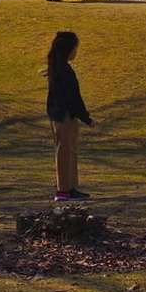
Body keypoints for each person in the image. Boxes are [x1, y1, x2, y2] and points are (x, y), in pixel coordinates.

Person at [45, 30, 94, 201]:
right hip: (64, 114)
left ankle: (71, 187)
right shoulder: (63, 71)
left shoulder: (58, 67)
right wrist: (85, 117)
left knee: (70, 150)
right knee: (65, 150)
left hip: (63, 113)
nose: (76, 52)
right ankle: (64, 190)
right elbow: (73, 96)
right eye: (75, 48)